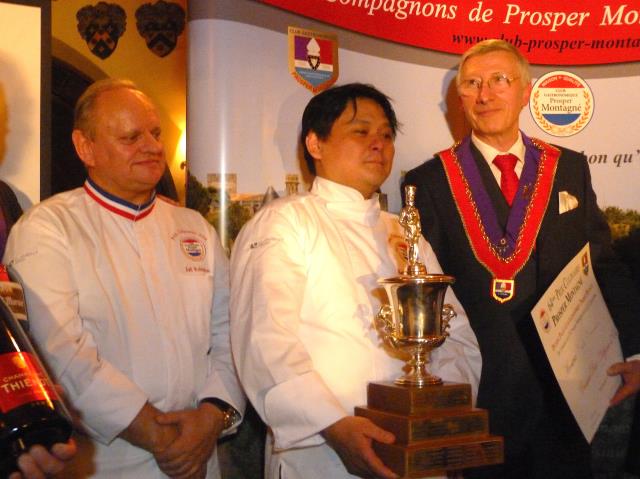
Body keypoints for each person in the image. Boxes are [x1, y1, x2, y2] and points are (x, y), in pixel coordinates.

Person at [402, 39, 640, 478]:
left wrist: (636, 351)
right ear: (460, 99)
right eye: (471, 84)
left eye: (499, 80)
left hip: (569, 396)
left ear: (526, 91)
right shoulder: (427, 182)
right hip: (479, 398)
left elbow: (603, 265)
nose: (485, 94)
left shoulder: (569, 167)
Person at [229, 83, 481, 479]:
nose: (378, 144)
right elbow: (264, 341)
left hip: (415, 454)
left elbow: (457, 335)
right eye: (360, 131)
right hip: (322, 453)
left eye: (385, 134)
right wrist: (334, 425)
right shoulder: (285, 222)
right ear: (315, 144)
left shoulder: (404, 232)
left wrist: (440, 415)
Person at [3, 78, 245, 478]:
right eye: (131, 137)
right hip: (105, 459)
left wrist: (212, 417)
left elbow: (230, 334)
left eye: (154, 133)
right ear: (85, 148)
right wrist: (157, 435)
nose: (151, 146)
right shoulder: (48, 227)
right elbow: (59, 351)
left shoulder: (194, 227)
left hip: (200, 454)